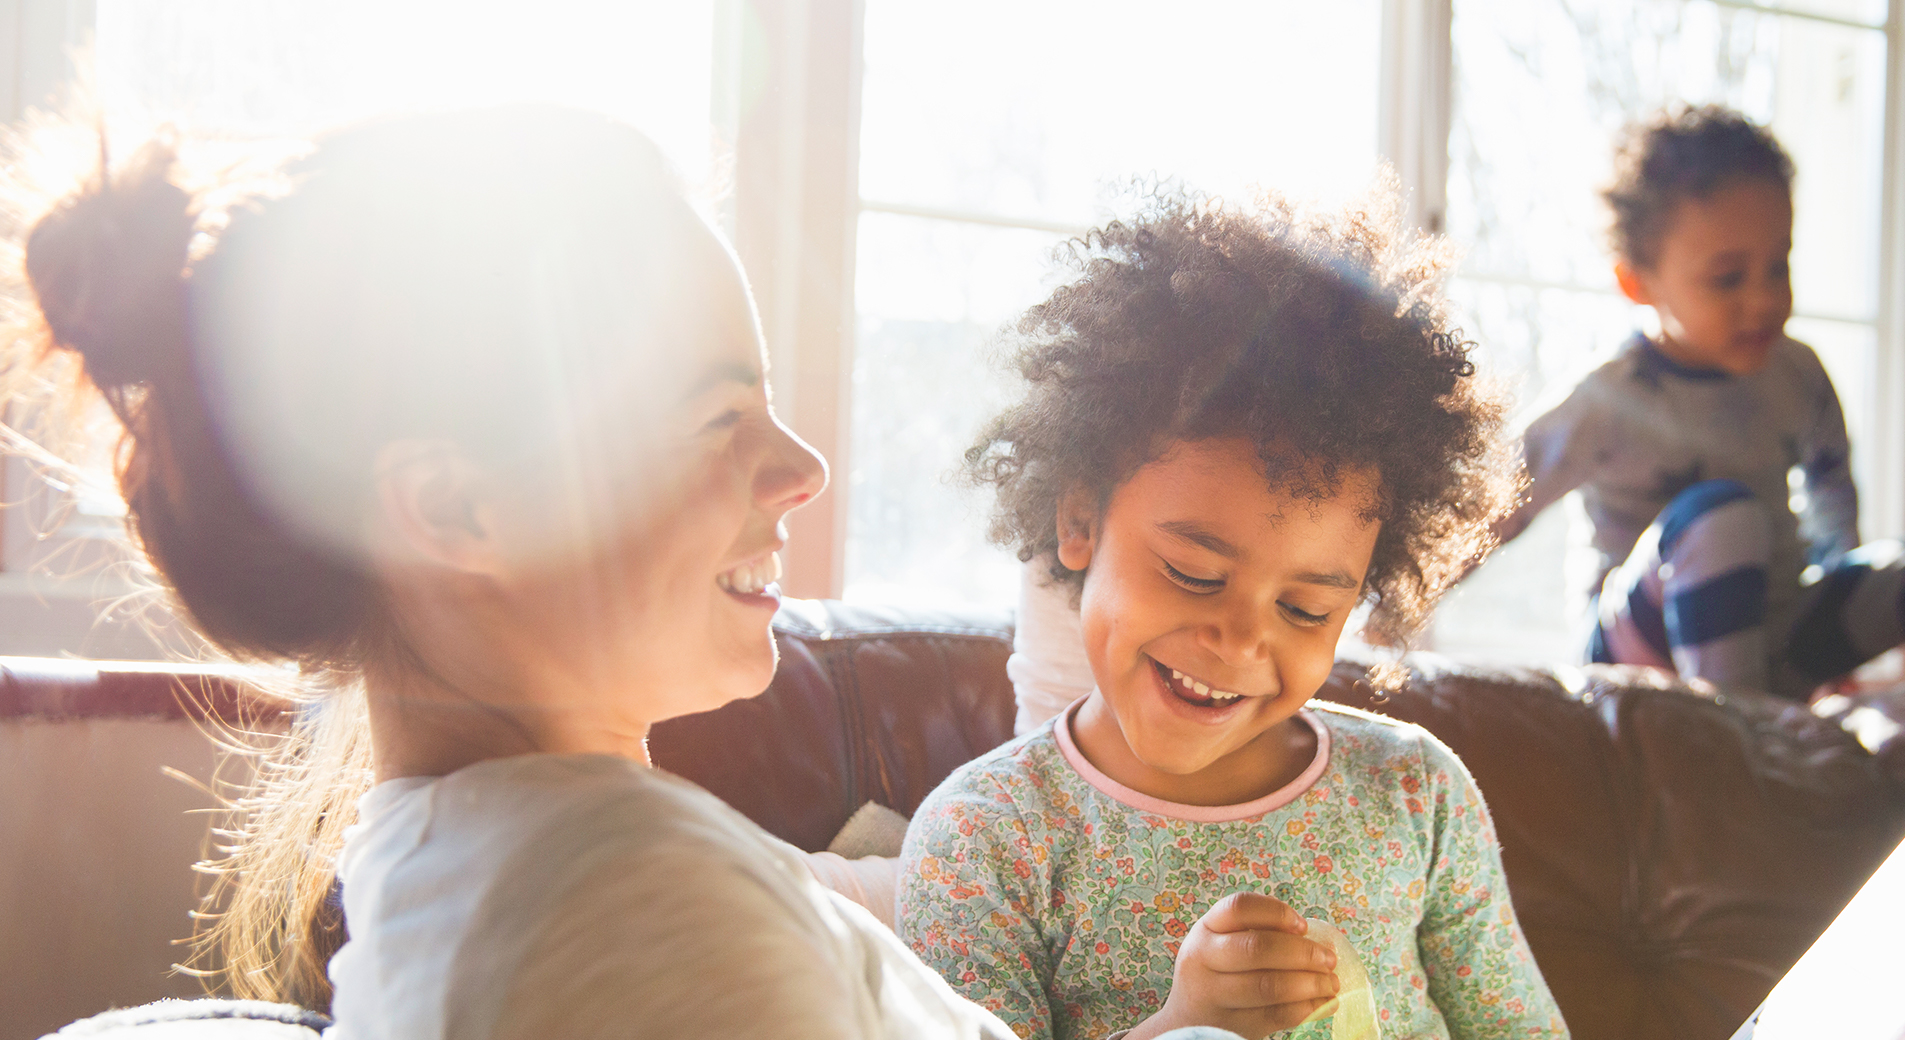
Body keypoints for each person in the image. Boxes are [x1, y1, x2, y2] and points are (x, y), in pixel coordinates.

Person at [8, 105, 1072, 1040]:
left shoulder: (478, 859)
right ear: (455, 508)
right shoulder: (624, 916)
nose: (803, 468)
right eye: (716, 417)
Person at [898, 186, 1568, 1040]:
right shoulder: (985, 840)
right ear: (1078, 522)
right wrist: (1183, 1026)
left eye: (1305, 606)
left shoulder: (1414, 791)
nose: (1243, 639)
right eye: (1193, 573)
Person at [1494, 104, 1904, 699]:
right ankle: (1739, 737)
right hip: (1640, 656)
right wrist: (1396, 603)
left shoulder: (1798, 372)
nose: (1765, 300)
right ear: (1639, 282)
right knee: (1722, 518)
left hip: (1776, 636)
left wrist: (1836, 601)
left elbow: (1832, 489)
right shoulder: (1609, 397)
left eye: (1778, 265)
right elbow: (1492, 507)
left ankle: (1768, 696)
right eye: (1728, 277)